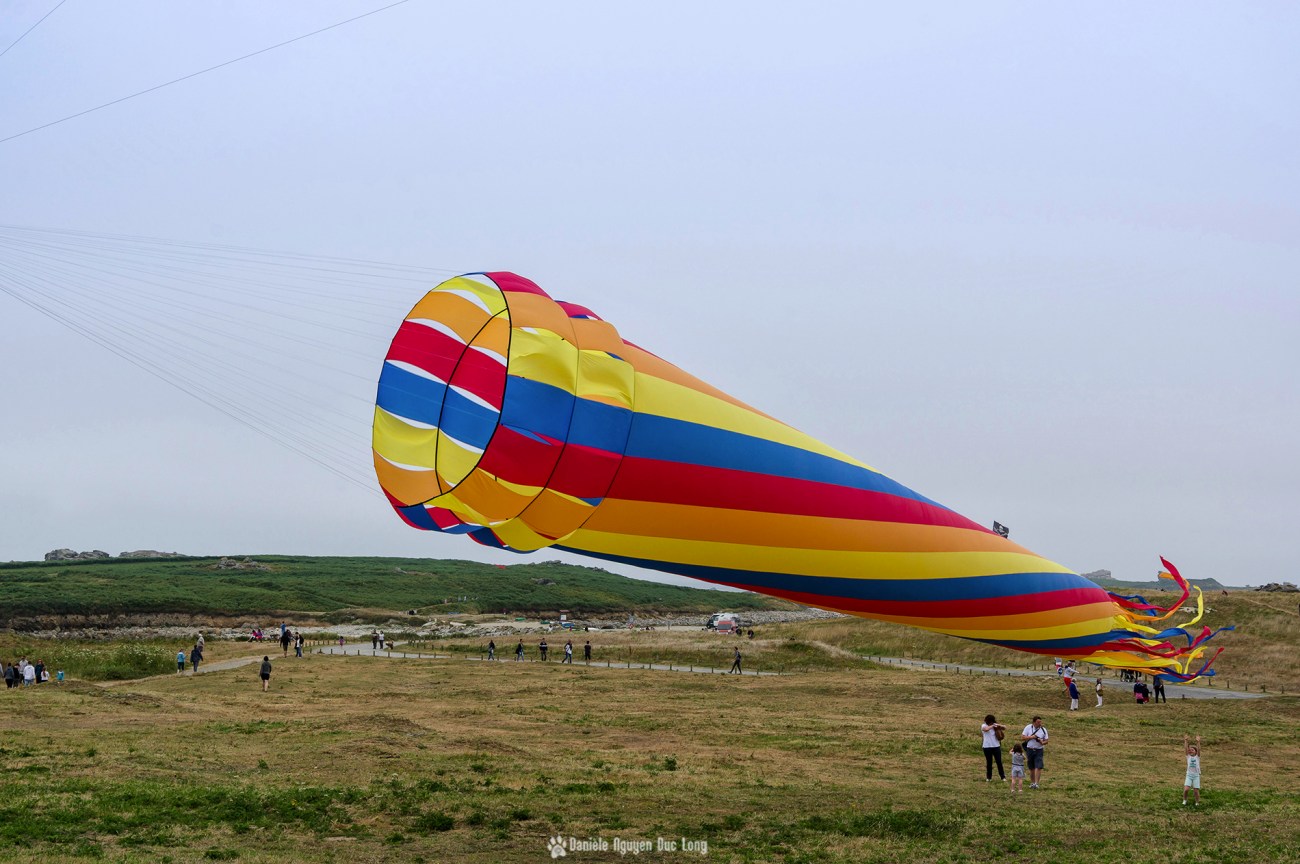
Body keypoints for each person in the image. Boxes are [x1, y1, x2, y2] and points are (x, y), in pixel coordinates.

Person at [1020, 716, 1048, 789]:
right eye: (1038, 722)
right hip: (1030, 749)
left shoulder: (1043, 729)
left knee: (1038, 766)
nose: (1040, 723)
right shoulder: (1028, 727)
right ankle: (1032, 783)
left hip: (1039, 750)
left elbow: (1046, 740)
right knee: (1031, 767)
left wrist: (1042, 742)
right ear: (1034, 722)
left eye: (1040, 722)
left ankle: (1037, 783)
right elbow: (1022, 737)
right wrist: (1031, 737)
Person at [981, 715, 1007, 781]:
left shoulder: (995, 725)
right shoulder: (984, 725)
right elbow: (986, 729)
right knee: (989, 762)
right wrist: (992, 726)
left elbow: (1005, 727)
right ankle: (989, 777)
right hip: (987, 747)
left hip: (996, 746)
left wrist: (999, 725)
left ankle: (1003, 777)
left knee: (999, 762)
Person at [1183, 734, 1202, 806]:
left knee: (1196, 791)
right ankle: (1184, 800)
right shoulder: (1188, 757)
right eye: (1190, 750)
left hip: (1196, 776)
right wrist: (1186, 741)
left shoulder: (1197, 757)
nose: (1190, 751)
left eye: (1192, 750)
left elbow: (1199, 749)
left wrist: (1198, 742)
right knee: (1186, 789)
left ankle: (1197, 802)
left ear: (1196, 752)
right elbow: (1185, 749)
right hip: (1189, 775)